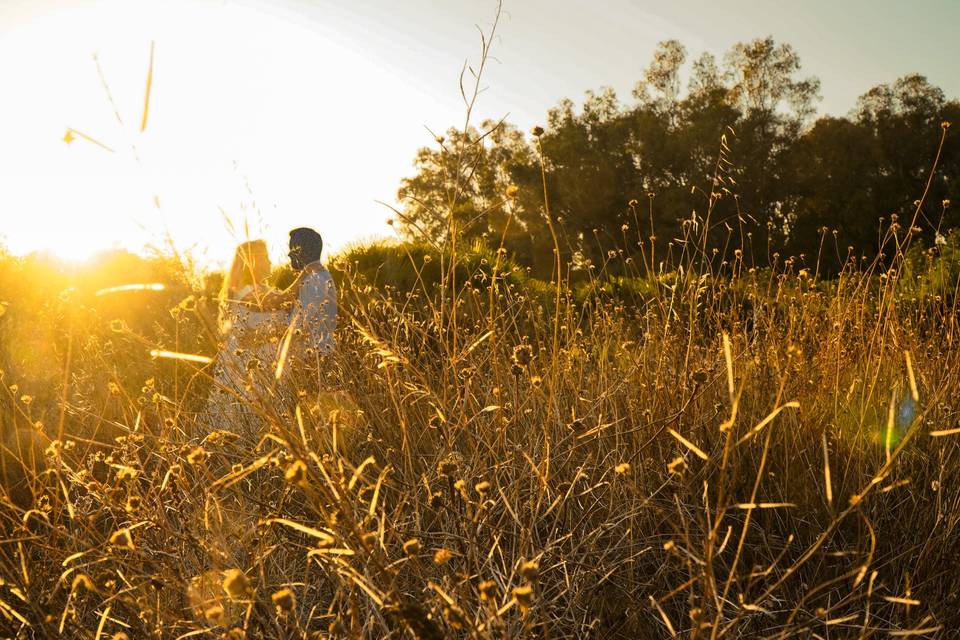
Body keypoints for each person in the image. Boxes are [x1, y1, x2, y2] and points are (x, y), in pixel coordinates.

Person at [204, 239, 289, 438]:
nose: (270, 262)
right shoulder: (247, 293)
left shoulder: (260, 290)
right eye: (265, 258)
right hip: (251, 372)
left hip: (265, 368)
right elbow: (281, 301)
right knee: (249, 423)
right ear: (253, 262)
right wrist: (307, 274)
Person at [262, 227, 338, 360]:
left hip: (314, 358)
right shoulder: (314, 276)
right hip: (314, 354)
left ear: (302, 251)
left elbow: (299, 324)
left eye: (292, 249)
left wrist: (270, 324)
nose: (288, 254)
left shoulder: (315, 281)